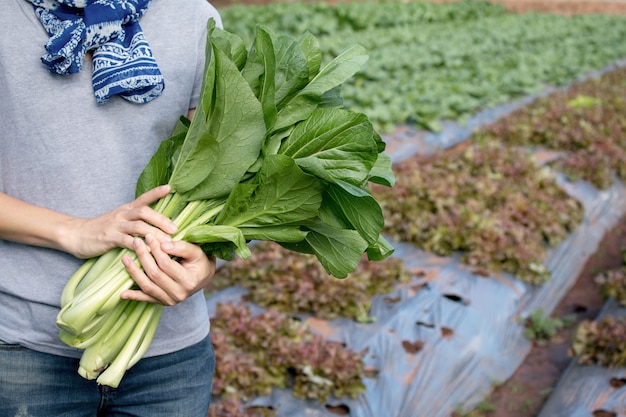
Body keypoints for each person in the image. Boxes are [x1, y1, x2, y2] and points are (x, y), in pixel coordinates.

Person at [0, 1, 223, 416]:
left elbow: (218, 173)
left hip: (171, 353)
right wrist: (73, 231)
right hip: (23, 347)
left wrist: (205, 264)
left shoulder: (194, 16)